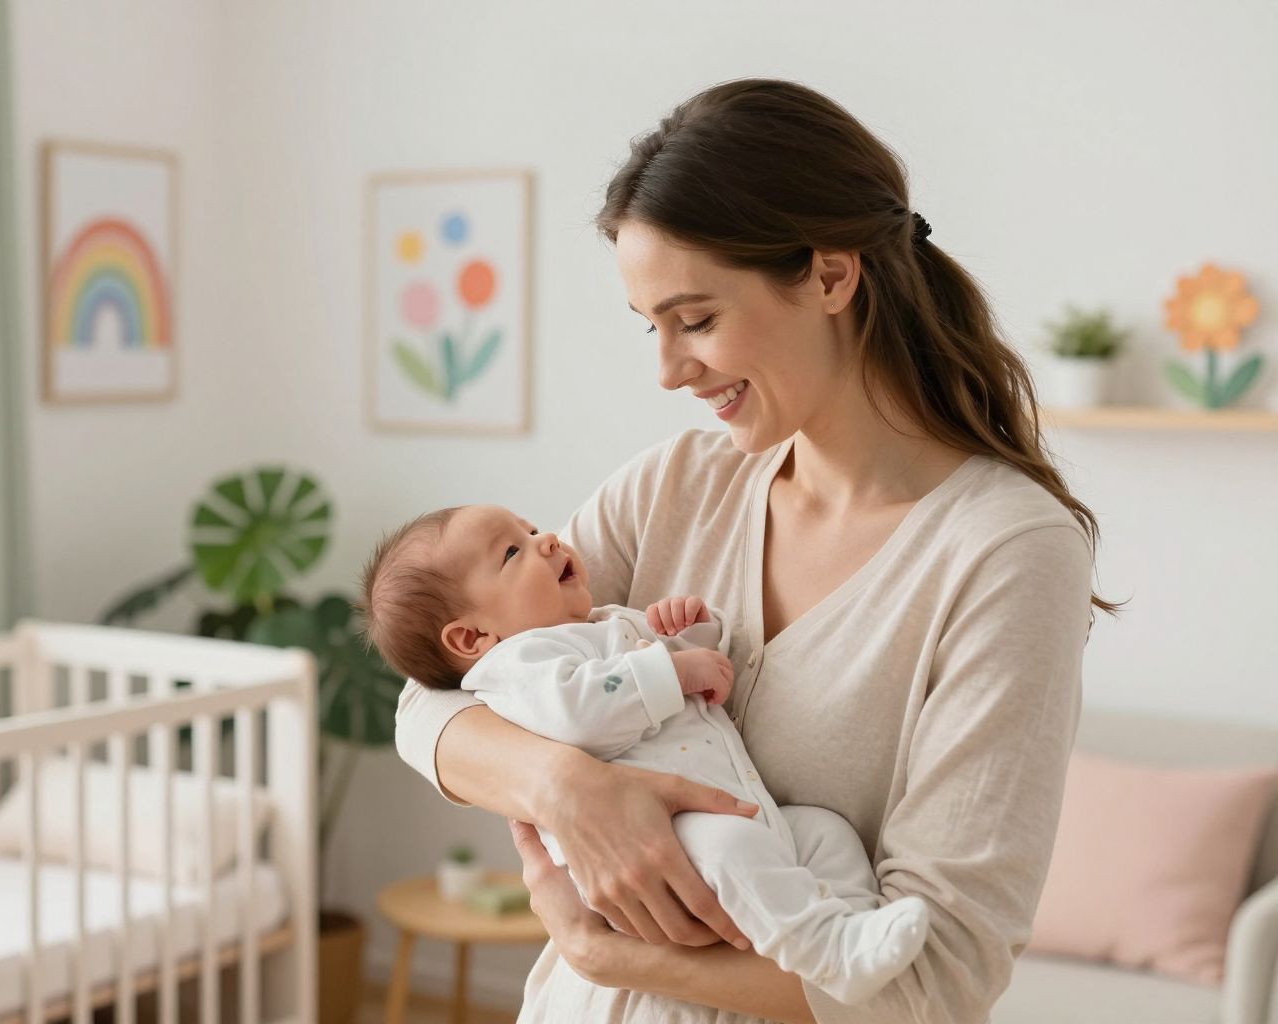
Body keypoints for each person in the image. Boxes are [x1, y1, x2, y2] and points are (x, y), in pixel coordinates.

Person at [393, 78, 1113, 1024]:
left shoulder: (1004, 555)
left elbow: (940, 975)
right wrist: (564, 787)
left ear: (829, 276)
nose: (667, 368)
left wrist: (600, 950)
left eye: (695, 320)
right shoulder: (673, 488)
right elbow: (434, 698)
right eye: (650, 327)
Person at [360, 503, 931, 1006]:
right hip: (671, 844)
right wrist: (672, 669)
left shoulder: (601, 623)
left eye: (533, 528)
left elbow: (688, 670)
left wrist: (691, 628)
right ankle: (824, 949)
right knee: (735, 849)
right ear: (470, 639)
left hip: (740, 812)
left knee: (825, 832)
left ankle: (856, 926)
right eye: (513, 551)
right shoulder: (517, 668)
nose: (548, 540)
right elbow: (579, 711)